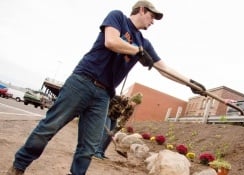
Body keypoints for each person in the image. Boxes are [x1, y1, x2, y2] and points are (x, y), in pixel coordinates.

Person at [7, 0, 206, 174]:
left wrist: (190, 84)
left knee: (89, 146)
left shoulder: (145, 43)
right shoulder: (118, 17)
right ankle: (18, 167)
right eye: (152, 16)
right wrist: (137, 51)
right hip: (82, 82)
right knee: (49, 127)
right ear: (142, 10)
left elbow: (164, 68)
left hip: (104, 95)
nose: (153, 22)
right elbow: (111, 41)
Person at [94, 93, 143, 160]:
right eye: (135, 102)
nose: (135, 104)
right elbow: (109, 101)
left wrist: (115, 130)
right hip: (107, 114)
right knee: (106, 133)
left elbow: (124, 120)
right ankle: (97, 152)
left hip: (114, 118)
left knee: (111, 135)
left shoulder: (131, 109)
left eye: (137, 104)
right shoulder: (122, 99)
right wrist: (101, 111)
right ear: (132, 99)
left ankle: (102, 152)